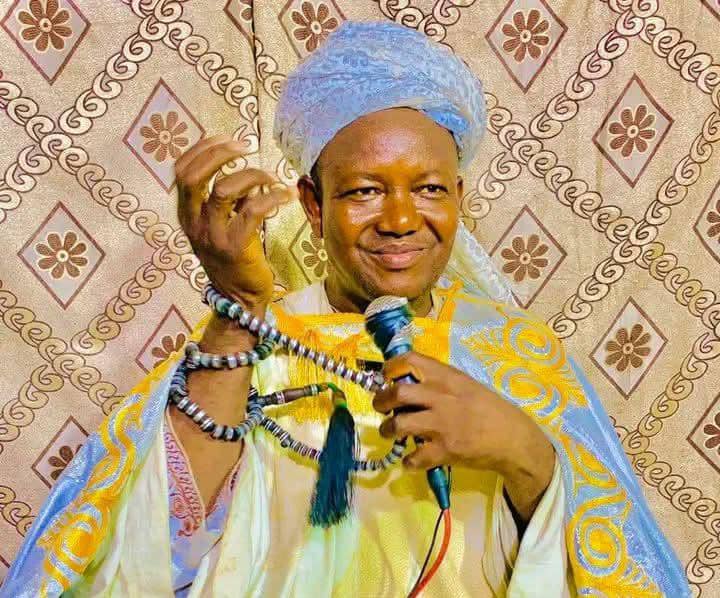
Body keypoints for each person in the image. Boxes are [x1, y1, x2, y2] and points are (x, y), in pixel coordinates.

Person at [2, 21, 688, 597]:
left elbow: (620, 564)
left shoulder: (518, 353)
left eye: (429, 189)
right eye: (364, 190)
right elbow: (150, 546)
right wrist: (238, 307)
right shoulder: (254, 342)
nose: (400, 220)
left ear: (460, 197)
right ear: (312, 202)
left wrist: (523, 451)